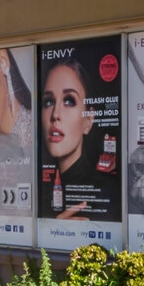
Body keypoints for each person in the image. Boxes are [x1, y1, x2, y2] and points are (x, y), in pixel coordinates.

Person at [40, 57, 110, 219]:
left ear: (88, 120)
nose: (55, 115)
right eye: (48, 101)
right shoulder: (37, 186)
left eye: (69, 101)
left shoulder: (105, 192)